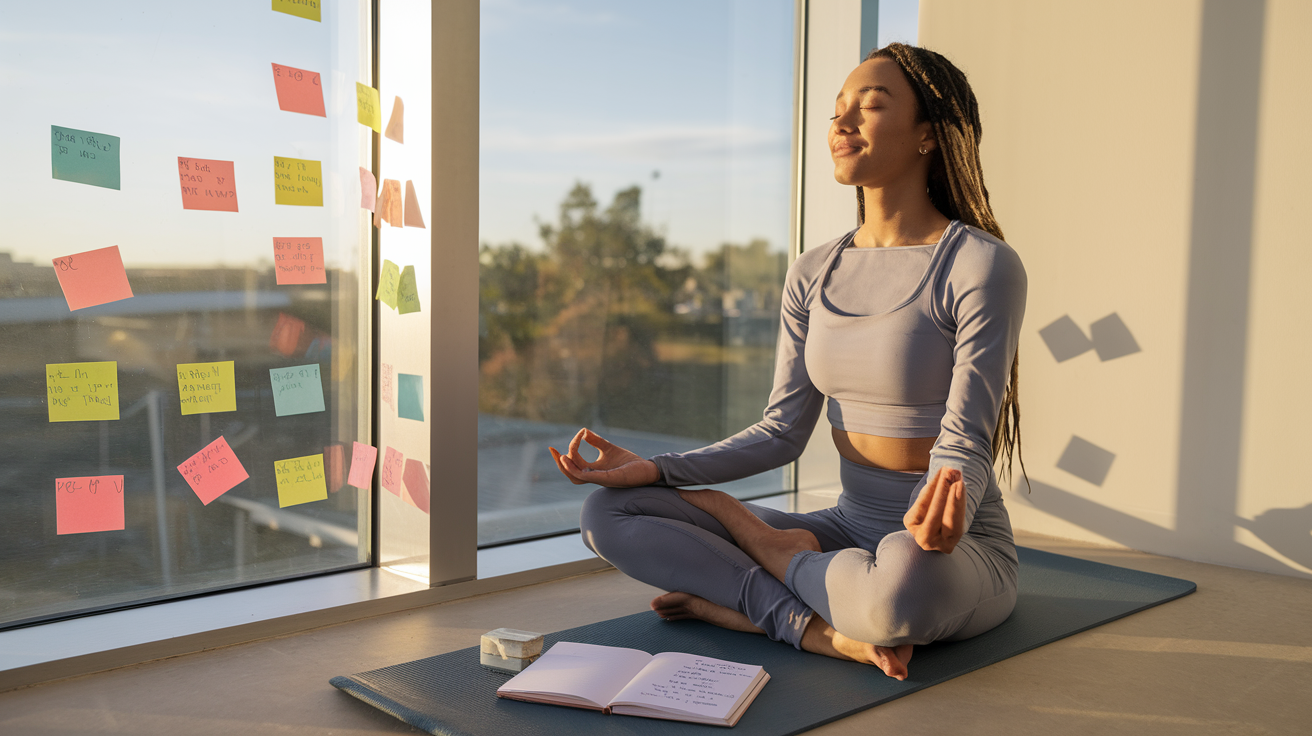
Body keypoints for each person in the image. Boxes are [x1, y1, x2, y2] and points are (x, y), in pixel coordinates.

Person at [549, 43, 1026, 681]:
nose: (842, 123)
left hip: (951, 548)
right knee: (608, 514)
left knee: (898, 596)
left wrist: (950, 519)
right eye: (837, 110)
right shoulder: (813, 271)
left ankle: (758, 577)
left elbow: (965, 441)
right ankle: (813, 627)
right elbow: (781, 432)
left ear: (927, 136)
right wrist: (656, 470)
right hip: (842, 529)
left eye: (871, 106)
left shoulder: (980, 264)